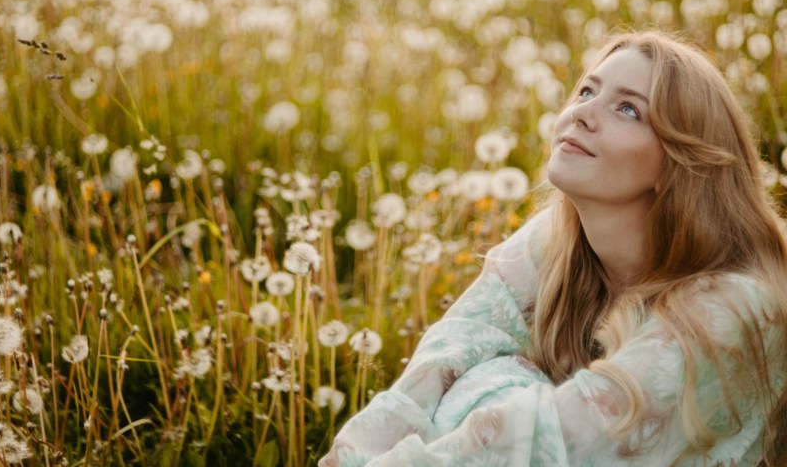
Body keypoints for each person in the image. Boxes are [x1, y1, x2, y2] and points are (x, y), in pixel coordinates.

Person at [320, 30, 787, 466]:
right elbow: (442, 361)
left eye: (628, 109)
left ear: (679, 162)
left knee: (500, 394)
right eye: (587, 92)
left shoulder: (738, 307)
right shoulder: (554, 243)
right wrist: (349, 455)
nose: (581, 113)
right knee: (486, 377)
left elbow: (560, 440)